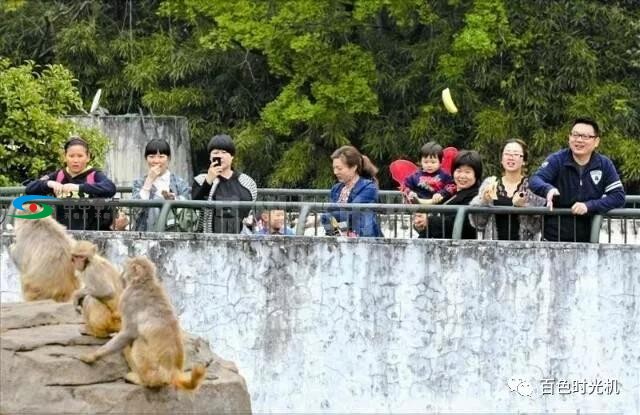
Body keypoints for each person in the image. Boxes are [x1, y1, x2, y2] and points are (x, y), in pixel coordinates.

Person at [529, 118, 625, 242]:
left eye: (585, 136)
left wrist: (589, 206)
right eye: (575, 135)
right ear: (569, 137)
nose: (579, 140)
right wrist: (548, 189)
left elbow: (618, 196)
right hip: (553, 240)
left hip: (588, 240)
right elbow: (535, 180)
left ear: (596, 141)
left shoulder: (604, 164)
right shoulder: (557, 160)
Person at [25, 136, 116, 230]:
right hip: (64, 234)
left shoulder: (94, 174)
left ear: (88, 157)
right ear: (65, 157)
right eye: (71, 156)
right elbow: (29, 189)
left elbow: (110, 188)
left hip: (92, 232)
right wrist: (49, 183)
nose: (75, 160)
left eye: (80, 156)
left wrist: (79, 187)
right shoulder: (59, 175)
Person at [469, 139, 545, 240]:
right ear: (501, 159)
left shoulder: (532, 186)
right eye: (507, 154)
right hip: (493, 249)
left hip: (525, 250)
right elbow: (477, 223)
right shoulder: (490, 183)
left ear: (524, 160)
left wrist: (524, 208)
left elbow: (537, 227)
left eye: (516, 154)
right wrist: (484, 201)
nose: (511, 157)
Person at [192, 134, 257, 233]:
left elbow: (251, 211)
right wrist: (208, 181)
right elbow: (195, 206)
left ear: (232, 157)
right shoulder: (201, 180)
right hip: (208, 239)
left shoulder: (247, 182)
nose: (219, 156)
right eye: (215, 152)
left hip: (240, 238)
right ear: (210, 157)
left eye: (224, 152)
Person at [124, 139, 191, 231]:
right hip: (145, 234)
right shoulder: (139, 182)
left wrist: (174, 200)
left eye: (161, 156)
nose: (156, 161)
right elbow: (135, 209)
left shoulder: (179, 182)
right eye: (151, 156)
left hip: (174, 234)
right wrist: (149, 181)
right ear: (146, 158)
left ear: (168, 158)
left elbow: (188, 209)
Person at [413, 150, 482, 239]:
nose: (462, 176)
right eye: (459, 171)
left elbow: (461, 224)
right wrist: (420, 223)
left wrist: (429, 221)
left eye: (467, 172)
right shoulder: (449, 191)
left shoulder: (476, 196)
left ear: (476, 174)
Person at [321, 145, 383, 237]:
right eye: (334, 168)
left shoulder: (368, 187)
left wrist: (331, 217)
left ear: (354, 167)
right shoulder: (336, 188)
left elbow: (353, 213)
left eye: (339, 168)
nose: (335, 172)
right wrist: (336, 231)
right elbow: (327, 216)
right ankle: (338, 238)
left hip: (364, 239)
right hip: (340, 236)